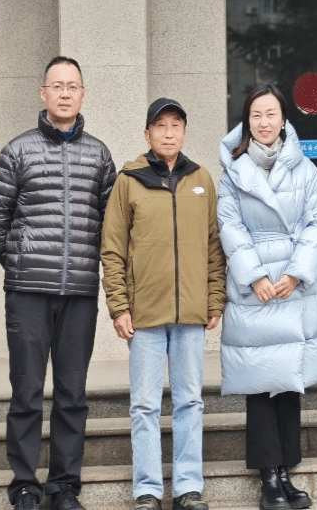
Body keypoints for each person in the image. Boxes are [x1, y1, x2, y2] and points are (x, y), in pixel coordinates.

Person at [0, 57, 117, 510]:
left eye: (72, 86)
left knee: (72, 394)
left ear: (82, 94)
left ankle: (63, 486)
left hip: (79, 292)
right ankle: (24, 484)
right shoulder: (18, 151)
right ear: (42, 93)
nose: (64, 93)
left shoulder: (99, 155)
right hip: (28, 293)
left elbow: (110, 225)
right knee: (26, 391)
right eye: (56, 86)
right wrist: (20, 263)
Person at [217, 84, 317, 510]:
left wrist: (295, 272)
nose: (264, 122)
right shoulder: (233, 172)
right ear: (246, 122)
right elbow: (229, 227)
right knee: (259, 381)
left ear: (284, 119)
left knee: (290, 378)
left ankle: (286, 470)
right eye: (256, 115)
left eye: (271, 114)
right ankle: (268, 477)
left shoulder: (305, 169)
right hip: (256, 288)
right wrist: (254, 276)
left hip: (293, 285)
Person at [101, 98, 227, 510]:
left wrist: (214, 299)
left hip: (191, 312)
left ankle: (188, 487)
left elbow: (214, 247)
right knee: (144, 405)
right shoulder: (128, 181)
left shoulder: (201, 180)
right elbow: (112, 250)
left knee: (190, 401)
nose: (169, 133)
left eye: (176, 125)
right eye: (160, 125)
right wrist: (119, 306)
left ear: (184, 133)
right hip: (145, 315)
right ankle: (148, 490)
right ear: (147, 134)